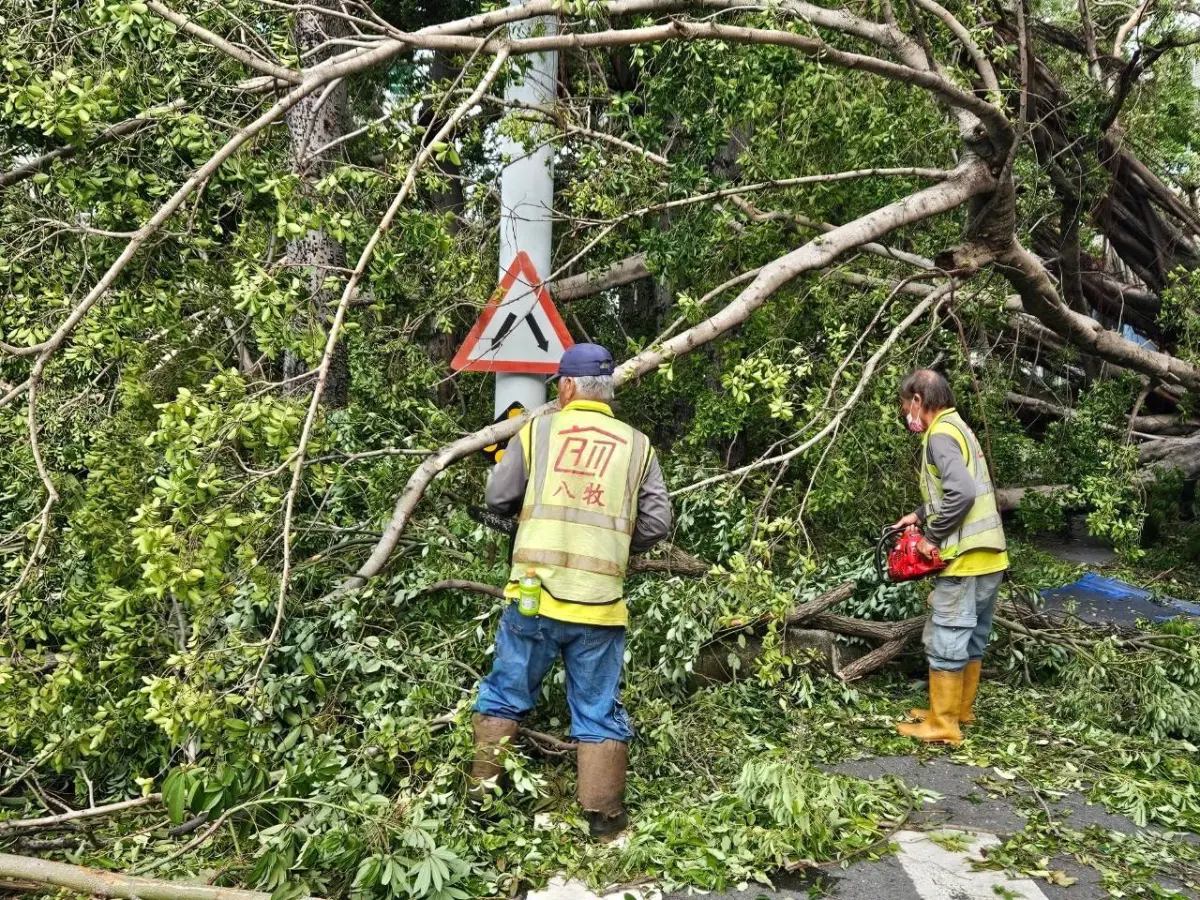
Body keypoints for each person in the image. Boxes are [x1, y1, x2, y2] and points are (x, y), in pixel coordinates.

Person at [469, 343, 672, 841]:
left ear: (564, 387)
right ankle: (604, 822)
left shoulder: (538, 430)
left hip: (534, 596)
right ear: (607, 392)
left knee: (505, 694)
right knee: (599, 707)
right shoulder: (638, 445)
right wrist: (618, 538)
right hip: (600, 603)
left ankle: (480, 807)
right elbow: (657, 523)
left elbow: (498, 496)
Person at [892, 369, 1008, 745]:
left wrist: (930, 537)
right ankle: (958, 710)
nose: (905, 414)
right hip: (990, 557)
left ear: (917, 401)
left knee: (947, 635)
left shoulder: (938, 435)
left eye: (904, 405)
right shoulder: (959, 427)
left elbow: (962, 493)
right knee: (973, 636)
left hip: (965, 560)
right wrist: (920, 514)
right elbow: (956, 488)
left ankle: (943, 725)